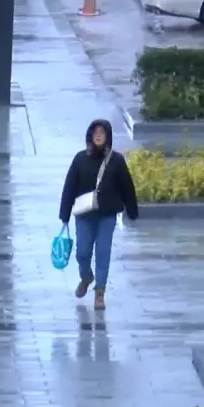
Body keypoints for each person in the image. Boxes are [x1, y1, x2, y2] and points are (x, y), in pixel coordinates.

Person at [59, 119, 139, 311]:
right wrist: (64, 214)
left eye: (102, 132)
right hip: (84, 215)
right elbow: (69, 187)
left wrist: (132, 210)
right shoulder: (80, 159)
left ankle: (100, 292)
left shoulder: (116, 161)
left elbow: (127, 187)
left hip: (107, 215)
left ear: (108, 136)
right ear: (90, 135)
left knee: (103, 253)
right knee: (82, 253)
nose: (99, 135)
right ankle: (86, 277)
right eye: (96, 132)